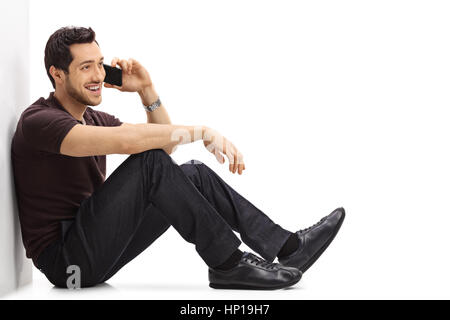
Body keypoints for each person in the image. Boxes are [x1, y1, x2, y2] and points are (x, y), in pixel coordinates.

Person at [11, 26, 345, 290]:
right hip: (68, 265)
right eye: (86, 67)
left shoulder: (92, 117)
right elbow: (133, 143)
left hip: (95, 246)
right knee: (148, 162)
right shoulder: (39, 121)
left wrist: (146, 90)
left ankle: (288, 248)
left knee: (193, 173)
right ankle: (228, 263)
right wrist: (199, 131)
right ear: (57, 74)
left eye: (100, 64)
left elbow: (166, 150)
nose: (99, 76)